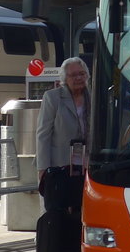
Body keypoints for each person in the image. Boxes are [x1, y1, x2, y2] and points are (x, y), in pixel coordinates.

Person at [36, 57, 90, 212]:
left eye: (82, 74)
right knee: (58, 213)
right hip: (59, 166)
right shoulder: (53, 97)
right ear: (65, 79)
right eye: (73, 75)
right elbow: (43, 134)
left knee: (81, 210)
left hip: (86, 165)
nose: (78, 78)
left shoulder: (93, 97)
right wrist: (43, 169)